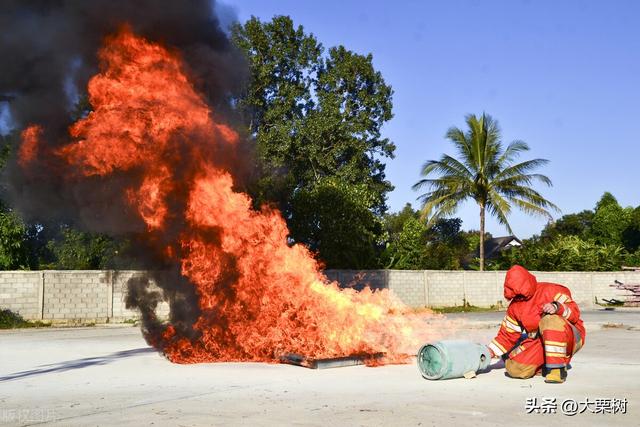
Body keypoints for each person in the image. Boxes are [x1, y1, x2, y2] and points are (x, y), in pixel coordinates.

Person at [487, 265, 586, 383]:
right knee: (515, 369)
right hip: (541, 340)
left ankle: (557, 370)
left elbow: (574, 313)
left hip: (570, 336)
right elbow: (507, 336)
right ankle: (545, 363)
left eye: (521, 293)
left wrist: (556, 307)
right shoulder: (515, 306)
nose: (519, 297)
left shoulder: (551, 290)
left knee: (550, 320)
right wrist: (489, 352)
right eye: (515, 295)